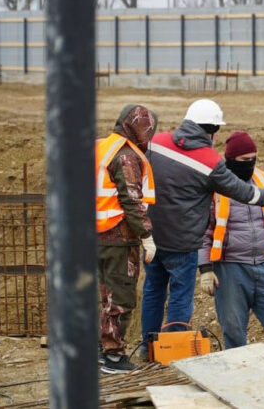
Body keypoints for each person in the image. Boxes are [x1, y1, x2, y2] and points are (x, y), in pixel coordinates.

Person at [141, 99, 264, 358]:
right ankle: (172, 353)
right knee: (180, 295)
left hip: (151, 236)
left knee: (153, 290)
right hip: (183, 241)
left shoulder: (156, 142)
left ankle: (147, 347)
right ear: (213, 131)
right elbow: (239, 190)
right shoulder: (209, 160)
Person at [197, 131, 264, 366]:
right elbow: (204, 230)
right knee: (233, 328)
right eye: (244, 160)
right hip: (230, 268)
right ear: (231, 159)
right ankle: (239, 374)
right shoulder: (215, 186)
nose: (250, 164)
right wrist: (205, 268)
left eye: (253, 158)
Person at [95, 104, 158, 374]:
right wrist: (146, 235)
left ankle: (101, 350)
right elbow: (131, 200)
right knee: (120, 299)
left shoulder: (101, 146)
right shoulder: (126, 156)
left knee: (106, 298)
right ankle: (113, 356)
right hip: (119, 237)